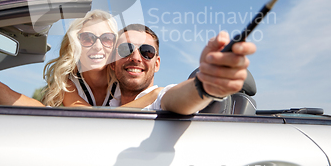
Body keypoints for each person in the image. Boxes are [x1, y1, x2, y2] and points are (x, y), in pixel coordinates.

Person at [0, 10, 160, 108]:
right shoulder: (70, 80)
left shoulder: (124, 76)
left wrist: (158, 96)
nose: (97, 46)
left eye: (106, 39)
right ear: (77, 44)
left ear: (115, 46)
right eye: (87, 38)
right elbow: (86, 118)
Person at [107, 24, 256, 115]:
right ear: (112, 64)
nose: (136, 58)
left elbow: (178, 98)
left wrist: (205, 85)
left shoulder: (160, 100)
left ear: (157, 64)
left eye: (147, 52)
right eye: (126, 49)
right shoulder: (104, 103)